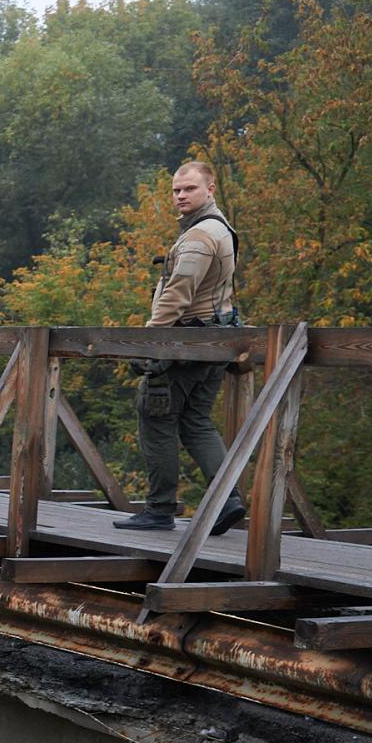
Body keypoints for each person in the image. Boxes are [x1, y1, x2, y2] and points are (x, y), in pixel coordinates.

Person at [113, 161, 246, 535]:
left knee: (155, 416)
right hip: (214, 342)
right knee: (196, 422)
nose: (180, 196)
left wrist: (150, 341)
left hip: (185, 342)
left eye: (189, 189)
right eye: (176, 190)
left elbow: (177, 293)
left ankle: (159, 509)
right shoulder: (220, 230)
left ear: (210, 188)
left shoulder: (201, 236)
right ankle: (227, 500)